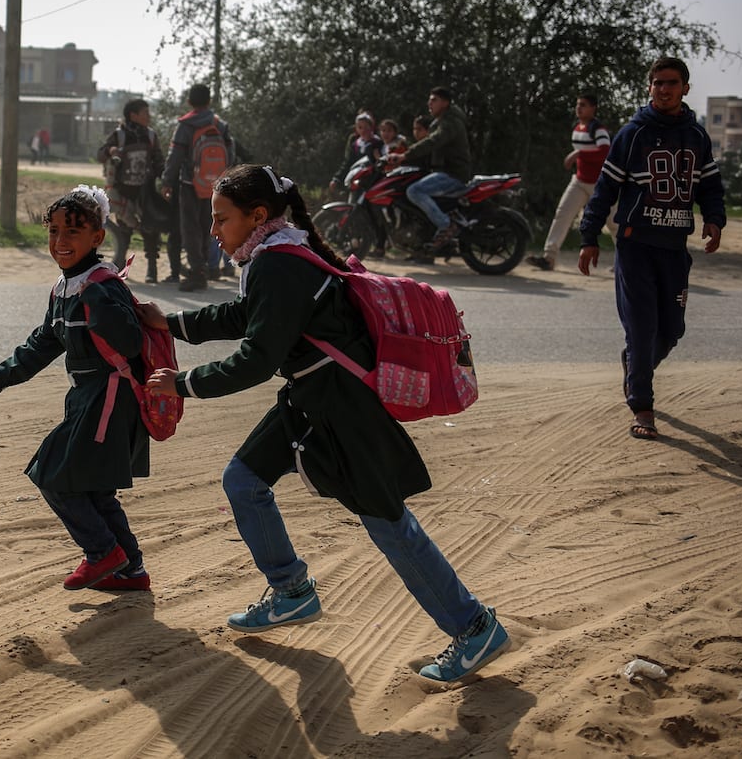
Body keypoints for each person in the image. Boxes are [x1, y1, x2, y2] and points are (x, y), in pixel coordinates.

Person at [140, 163, 509, 686]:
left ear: (258, 216)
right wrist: (171, 322)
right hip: (310, 398)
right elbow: (247, 317)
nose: (214, 230)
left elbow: (255, 358)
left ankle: (474, 627)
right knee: (243, 481)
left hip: (343, 407)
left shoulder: (278, 264)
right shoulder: (274, 255)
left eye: (221, 219)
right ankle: (292, 592)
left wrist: (182, 384)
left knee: (388, 523)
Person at [0, 185, 151, 591]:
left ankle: (103, 553)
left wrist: (98, 298)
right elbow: (41, 345)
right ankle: (131, 571)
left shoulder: (100, 284)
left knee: (50, 474)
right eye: (54, 232)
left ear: (97, 238)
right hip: (85, 399)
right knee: (96, 493)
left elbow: (130, 342)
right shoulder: (64, 287)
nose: (61, 242)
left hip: (109, 399)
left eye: (73, 232)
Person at [578, 57, 725, 441]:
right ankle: (642, 406)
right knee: (641, 329)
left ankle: (634, 366)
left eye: (671, 83)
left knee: (671, 330)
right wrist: (589, 237)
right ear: (649, 88)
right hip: (635, 246)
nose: (664, 89)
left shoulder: (697, 135)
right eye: (657, 83)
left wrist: (714, 219)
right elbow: (605, 189)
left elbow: (709, 185)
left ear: (685, 88)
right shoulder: (633, 134)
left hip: (675, 249)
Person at [527, 93, 614, 271]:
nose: (579, 108)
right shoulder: (578, 128)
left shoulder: (598, 130)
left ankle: (625, 261)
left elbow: (605, 153)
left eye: (583, 104)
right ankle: (548, 258)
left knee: (614, 223)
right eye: (578, 104)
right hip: (579, 181)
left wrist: (579, 154)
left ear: (593, 108)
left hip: (600, 185)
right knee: (562, 216)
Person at [162, 83, 235, 293]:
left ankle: (197, 272)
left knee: (190, 228)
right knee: (207, 226)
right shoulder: (220, 124)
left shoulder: (185, 125)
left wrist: (167, 181)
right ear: (209, 101)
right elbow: (230, 154)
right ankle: (204, 267)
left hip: (189, 184)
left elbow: (174, 157)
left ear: (189, 101)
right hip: (215, 185)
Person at [97, 98, 174, 283]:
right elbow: (100, 154)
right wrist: (111, 151)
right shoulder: (118, 135)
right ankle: (120, 268)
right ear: (134, 115)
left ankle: (152, 269)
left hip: (144, 191)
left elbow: (159, 160)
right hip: (122, 191)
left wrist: (164, 179)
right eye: (145, 113)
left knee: (150, 228)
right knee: (124, 230)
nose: (149, 117)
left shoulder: (150, 136)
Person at [391, 87, 472, 247]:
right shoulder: (442, 121)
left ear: (445, 102)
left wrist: (405, 155)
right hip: (444, 171)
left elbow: (433, 141)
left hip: (453, 174)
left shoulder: (450, 123)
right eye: (430, 99)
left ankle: (446, 224)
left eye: (434, 100)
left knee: (414, 191)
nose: (429, 103)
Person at [329, 112, 384, 192]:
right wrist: (337, 178)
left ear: (371, 127)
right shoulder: (355, 145)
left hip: (373, 181)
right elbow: (348, 163)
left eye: (366, 127)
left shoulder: (378, 143)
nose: (363, 130)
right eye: (360, 127)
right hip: (357, 181)